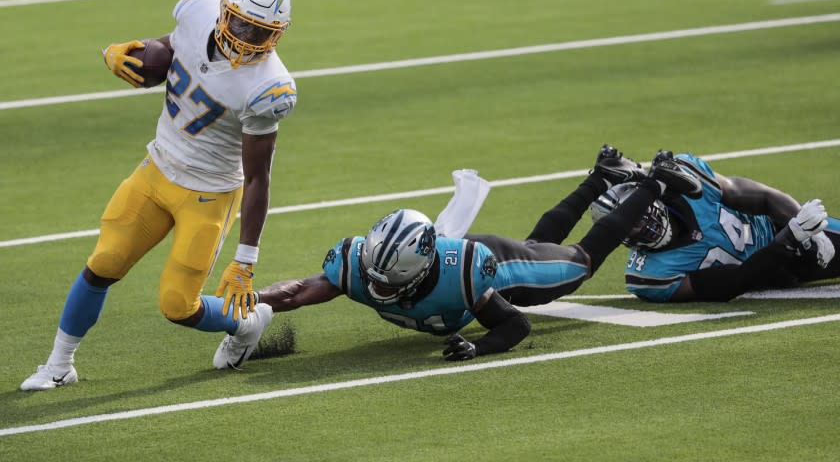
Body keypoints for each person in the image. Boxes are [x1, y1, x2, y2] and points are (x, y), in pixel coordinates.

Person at [21, 0, 295, 391]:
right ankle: (59, 364)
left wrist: (245, 260)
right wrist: (125, 54)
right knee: (103, 262)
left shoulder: (268, 87)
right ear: (224, 12)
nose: (247, 38)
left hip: (209, 192)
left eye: (261, 31)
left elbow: (259, 177)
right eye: (242, 24)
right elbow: (170, 50)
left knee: (177, 305)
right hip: (157, 166)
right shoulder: (197, 10)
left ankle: (249, 320)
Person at [251, 146, 702, 362]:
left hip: (497, 265)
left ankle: (656, 182)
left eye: (389, 281)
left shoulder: (461, 277)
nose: (376, 287)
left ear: (417, 272)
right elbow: (297, 291)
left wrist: (479, 347)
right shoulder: (357, 264)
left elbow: (515, 323)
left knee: (577, 264)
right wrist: (253, 299)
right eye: (374, 274)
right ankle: (603, 175)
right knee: (538, 245)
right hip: (468, 262)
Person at [589, 151, 838, 302]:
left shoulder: (685, 179)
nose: (642, 225)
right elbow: (736, 281)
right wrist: (789, 239)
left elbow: (764, 197)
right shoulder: (649, 276)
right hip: (776, 265)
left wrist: (804, 226)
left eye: (639, 213)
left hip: (775, 228)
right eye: (628, 225)